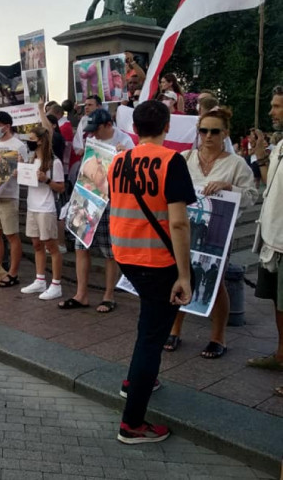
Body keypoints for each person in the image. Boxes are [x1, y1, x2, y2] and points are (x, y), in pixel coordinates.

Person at [108, 99, 196, 443]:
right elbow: (178, 222)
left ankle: (136, 381)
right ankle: (132, 424)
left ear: (135, 129)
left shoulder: (118, 160)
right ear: (167, 126)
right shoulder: (171, 161)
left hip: (126, 255)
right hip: (157, 260)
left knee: (149, 322)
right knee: (152, 337)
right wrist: (184, 275)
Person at [162, 108, 258, 356]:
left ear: (225, 133)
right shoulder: (184, 157)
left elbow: (251, 197)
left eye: (215, 131)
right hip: (184, 230)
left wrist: (229, 186)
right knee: (179, 277)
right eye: (204, 130)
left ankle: (218, 337)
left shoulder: (236, 164)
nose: (208, 136)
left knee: (216, 285)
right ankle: (174, 330)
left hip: (217, 232)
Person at [60, 107, 133, 312]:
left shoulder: (125, 141)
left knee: (110, 252)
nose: (92, 134)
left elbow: (132, 171)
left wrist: (124, 156)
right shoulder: (93, 140)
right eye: (89, 130)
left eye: (96, 129)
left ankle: (108, 295)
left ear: (109, 125)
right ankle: (81, 294)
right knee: (80, 246)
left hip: (111, 200)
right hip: (88, 195)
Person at [247, 86, 283, 398]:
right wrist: (260, 156)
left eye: (277, 107)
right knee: (278, 303)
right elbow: (270, 181)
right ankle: (281, 354)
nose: (272, 112)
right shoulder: (281, 145)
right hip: (274, 238)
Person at [20, 125, 65, 299]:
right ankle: (40, 280)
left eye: (31, 139)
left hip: (46, 208)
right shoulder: (32, 160)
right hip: (32, 206)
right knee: (36, 244)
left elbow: (61, 187)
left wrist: (46, 179)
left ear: (40, 141)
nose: (29, 143)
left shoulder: (55, 162)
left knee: (51, 247)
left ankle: (56, 283)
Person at [0, 111, 28, 288]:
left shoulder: (18, 145)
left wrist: (19, 169)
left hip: (9, 196)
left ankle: (13, 272)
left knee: (11, 235)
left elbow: (25, 171)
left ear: (7, 126)